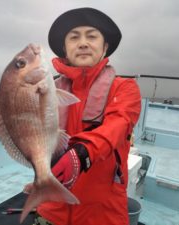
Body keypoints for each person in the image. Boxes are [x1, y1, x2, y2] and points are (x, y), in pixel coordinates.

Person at [34, 7, 141, 225]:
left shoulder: (125, 88)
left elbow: (117, 125)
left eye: (91, 36)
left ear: (105, 47)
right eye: (74, 38)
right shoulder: (47, 90)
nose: (83, 43)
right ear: (65, 48)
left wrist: (82, 152)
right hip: (51, 209)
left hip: (103, 214)